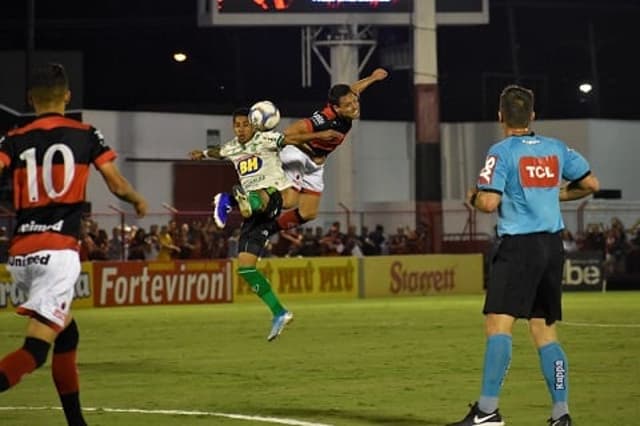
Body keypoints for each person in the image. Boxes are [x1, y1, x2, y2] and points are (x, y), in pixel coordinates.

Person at [0, 63, 147, 426]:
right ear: (67, 96)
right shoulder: (87, 135)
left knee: (68, 334)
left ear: (29, 99)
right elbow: (115, 184)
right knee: (35, 350)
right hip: (58, 253)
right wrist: (138, 200)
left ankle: (77, 423)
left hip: (20, 255)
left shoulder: (13, 138)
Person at [447, 84, 600, 426]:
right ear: (532, 115)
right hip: (551, 247)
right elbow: (591, 184)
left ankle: (487, 412)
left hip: (519, 247)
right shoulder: (557, 148)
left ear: (500, 116)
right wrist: (552, 196)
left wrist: (472, 196)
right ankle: (561, 413)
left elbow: (489, 202)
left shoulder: (501, 151)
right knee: (545, 332)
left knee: (498, 326)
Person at [189, 107, 339, 341]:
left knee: (262, 196)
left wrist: (319, 136)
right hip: (255, 214)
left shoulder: (265, 139)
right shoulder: (232, 147)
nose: (241, 129)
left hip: (273, 195)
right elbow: (220, 152)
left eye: (245, 124)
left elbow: (291, 138)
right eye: (237, 125)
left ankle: (228, 200)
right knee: (246, 268)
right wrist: (204, 153)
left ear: (254, 125)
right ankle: (280, 312)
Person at [211, 68, 389, 232]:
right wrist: (315, 146)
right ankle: (229, 200)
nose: (355, 106)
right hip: (298, 154)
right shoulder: (323, 120)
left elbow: (355, 89)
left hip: (315, 161)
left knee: (308, 212)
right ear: (336, 108)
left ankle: (268, 229)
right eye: (349, 105)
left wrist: (373, 78)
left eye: (354, 101)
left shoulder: (347, 102)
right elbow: (288, 133)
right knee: (289, 201)